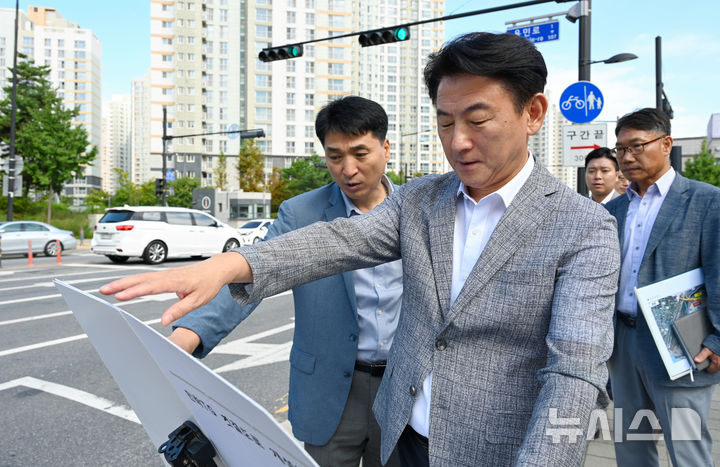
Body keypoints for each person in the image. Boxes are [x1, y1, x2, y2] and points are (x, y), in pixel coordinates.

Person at [101, 32, 620, 466]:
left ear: (532, 113)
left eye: (478, 120)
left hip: (498, 451)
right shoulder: (423, 199)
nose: (458, 141)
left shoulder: (583, 227)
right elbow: (338, 240)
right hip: (402, 435)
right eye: (444, 121)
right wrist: (229, 264)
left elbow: (574, 371)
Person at [170, 95, 402, 467]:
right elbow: (255, 271)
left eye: (360, 153)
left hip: (400, 386)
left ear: (386, 148)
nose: (348, 169)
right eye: (335, 156)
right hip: (330, 389)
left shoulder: (415, 209)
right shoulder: (302, 212)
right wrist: (188, 336)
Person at [605, 107, 720, 466]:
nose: (627, 157)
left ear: (666, 143)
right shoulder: (615, 210)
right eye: (621, 149)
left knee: (686, 450)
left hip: (680, 344)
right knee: (631, 447)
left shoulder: (706, 200)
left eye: (637, 146)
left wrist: (717, 340)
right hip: (623, 343)